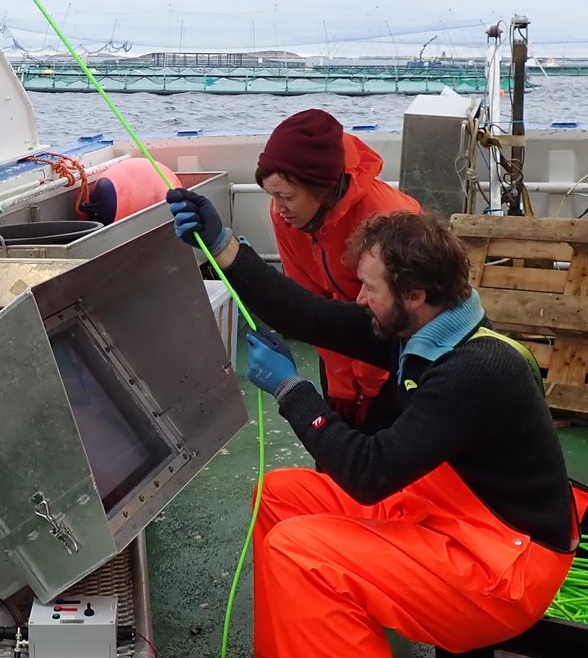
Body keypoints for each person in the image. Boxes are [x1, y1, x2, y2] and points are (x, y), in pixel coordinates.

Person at [166, 192, 578, 657]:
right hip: (447, 519)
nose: (359, 299)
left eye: (370, 289)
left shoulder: (475, 369)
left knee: (299, 549)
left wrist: (291, 390)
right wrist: (222, 246)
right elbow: (309, 315)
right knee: (279, 496)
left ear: (414, 295)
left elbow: (369, 473)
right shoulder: (420, 329)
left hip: (503, 569)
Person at [257, 109, 421, 431]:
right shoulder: (287, 216)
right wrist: (341, 381)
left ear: (322, 190)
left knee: (383, 446)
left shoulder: (388, 219)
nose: (277, 209)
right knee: (336, 441)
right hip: (335, 338)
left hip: (397, 345)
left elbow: (394, 318)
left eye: (286, 196)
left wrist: (368, 385)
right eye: (271, 195)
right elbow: (309, 302)